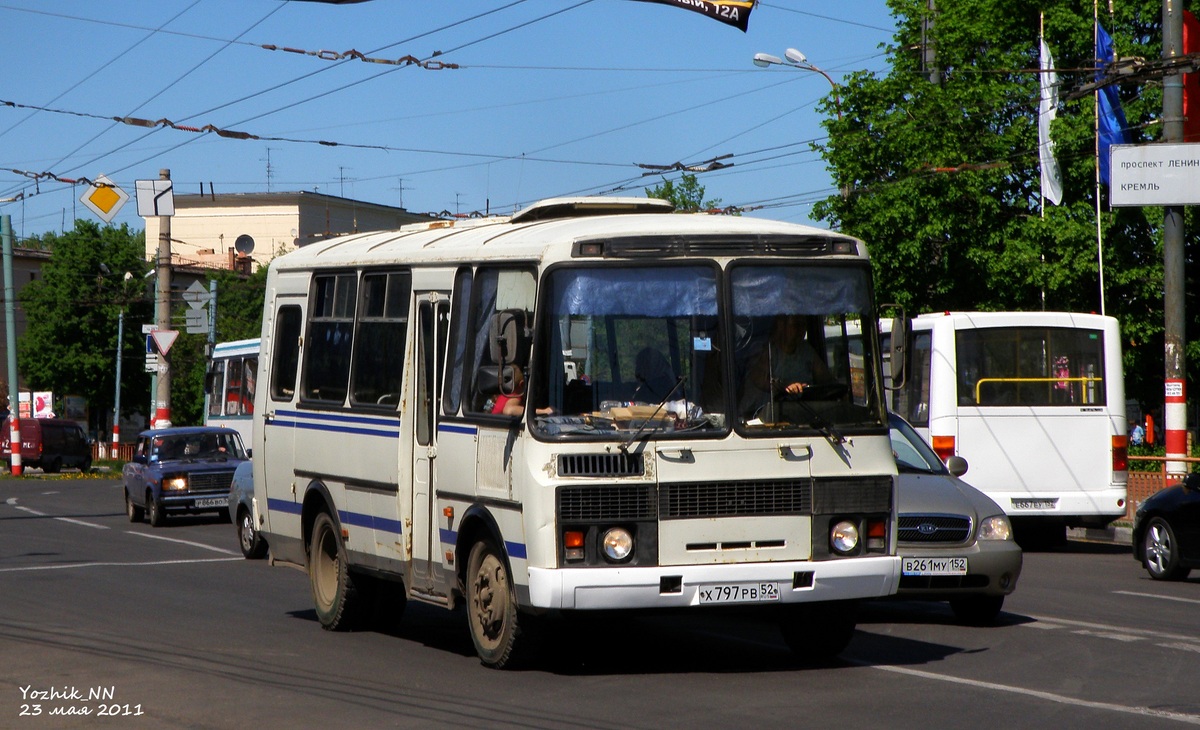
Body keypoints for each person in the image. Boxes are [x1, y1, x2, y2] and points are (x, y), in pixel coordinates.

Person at [741, 314, 832, 418]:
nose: (801, 330)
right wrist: (786, 387)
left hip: (802, 416)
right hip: (761, 417)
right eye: (796, 325)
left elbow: (826, 379)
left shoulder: (806, 351)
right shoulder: (765, 349)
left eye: (804, 325)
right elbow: (760, 379)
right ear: (781, 325)